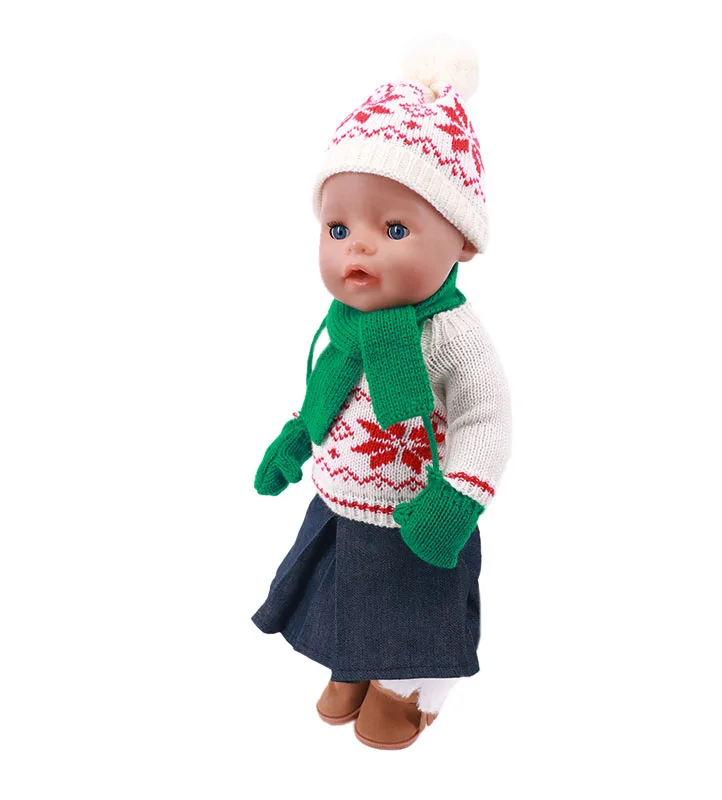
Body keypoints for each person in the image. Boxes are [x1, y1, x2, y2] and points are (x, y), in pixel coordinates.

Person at [251, 36, 512, 750]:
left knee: (413, 609)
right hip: (342, 503)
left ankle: (411, 687)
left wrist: (459, 497)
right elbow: (327, 389)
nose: (356, 248)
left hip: (418, 519)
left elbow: (486, 419)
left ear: (462, 240)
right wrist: (297, 436)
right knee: (341, 592)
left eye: (394, 228)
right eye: (338, 228)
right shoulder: (345, 325)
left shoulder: (450, 335)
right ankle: (353, 661)